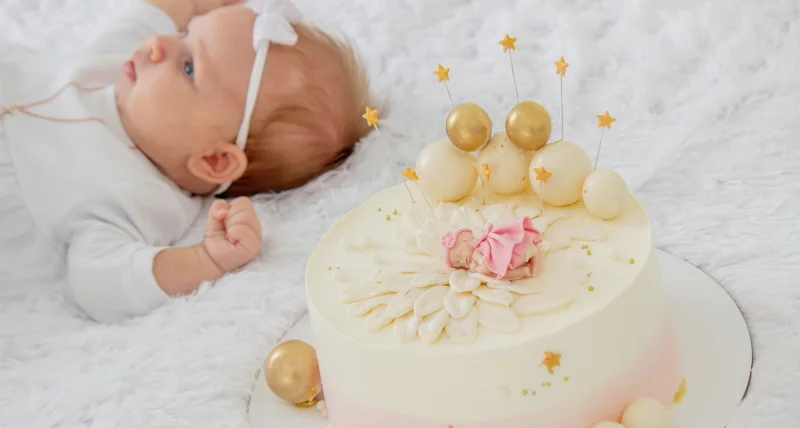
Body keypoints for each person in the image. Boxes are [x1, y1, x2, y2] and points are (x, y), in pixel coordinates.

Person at [0, 0, 371, 322]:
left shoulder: (135, 197)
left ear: (213, 161)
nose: (159, 45)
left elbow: (100, 283)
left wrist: (206, 260)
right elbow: (155, 14)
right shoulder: (121, 67)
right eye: (183, 35)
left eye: (188, 67)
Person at [441, 216, 542, 281]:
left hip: (516, 255)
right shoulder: (484, 243)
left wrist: (476, 269)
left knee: (495, 274)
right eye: (460, 264)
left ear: (466, 242)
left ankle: (523, 271)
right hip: (522, 248)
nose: (463, 262)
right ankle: (532, 254)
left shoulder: (477, 252)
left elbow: (486, 268)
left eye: (459, 256)